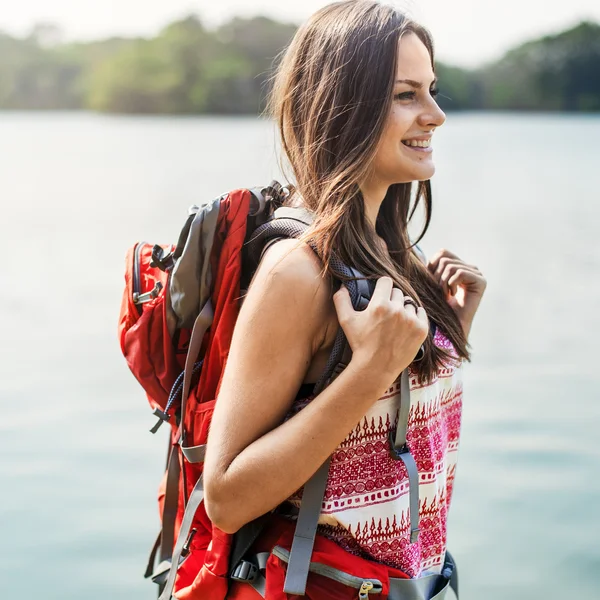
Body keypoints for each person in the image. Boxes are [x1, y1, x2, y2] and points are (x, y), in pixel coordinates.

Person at [203, 0, 487, 596]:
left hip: (416, 582)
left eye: (431, 91)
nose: (435, 115)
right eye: (406, 95)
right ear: (344, 106)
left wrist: (445, 337)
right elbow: (226, 499)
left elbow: (391, 442)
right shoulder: (300, 271)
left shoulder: (394, 254)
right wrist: (372, 371)